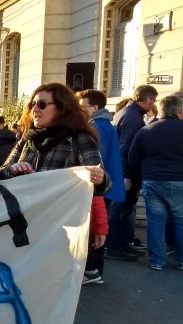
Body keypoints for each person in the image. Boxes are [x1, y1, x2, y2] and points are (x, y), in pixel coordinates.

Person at [0, 82, 110, 324]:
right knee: (26, 290)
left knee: (52, 291)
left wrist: (99, 179)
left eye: (43, 104)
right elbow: (0, 174)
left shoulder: (79, 140)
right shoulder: (27, 140)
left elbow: (100, 183)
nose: (35, 108)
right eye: (33, 103)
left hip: (61, 234)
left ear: (61, 108)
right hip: (24, 231)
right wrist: (14, 168)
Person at [127, 95, 183, 271]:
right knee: (181, 221)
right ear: (179, 110)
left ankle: (157, 260)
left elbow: (132, 157)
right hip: (179, 181)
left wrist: (142, 173)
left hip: (152, 180)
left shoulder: (146, 130)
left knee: (155, 222)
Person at [78, 89, 124, 282]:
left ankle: (93, 271)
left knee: (96, 230)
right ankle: (95, 270)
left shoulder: (96, 127)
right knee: (98, 229)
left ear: (94, 108)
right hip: (108, 184)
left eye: (83, 106)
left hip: (102, 186)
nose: (79, 110)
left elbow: (96, 161)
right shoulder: (105, 125)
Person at [111, 85, 158, 260]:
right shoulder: (133, 118)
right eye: (152, 101)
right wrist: (127, 175)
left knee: (122, 210)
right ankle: (116, 246)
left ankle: (121, 244)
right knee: (121, 210)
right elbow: (125, 148)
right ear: (148, 100)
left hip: (123, 170)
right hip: (126, 172)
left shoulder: (126, 112)